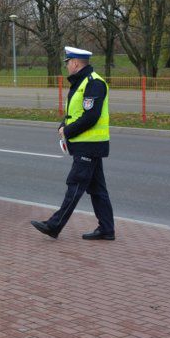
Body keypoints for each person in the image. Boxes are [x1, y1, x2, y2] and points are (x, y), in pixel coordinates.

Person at [31, 46, 115, 241]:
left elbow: (91, 116)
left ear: (76, 63)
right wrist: (63, 124)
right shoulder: (82, 82)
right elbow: (75, 113)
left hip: (89, 144)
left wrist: (67, 130)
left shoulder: (93, 83)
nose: (67, 66)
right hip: (86, 143)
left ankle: (54, 225)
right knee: (97, 189)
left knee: (75, 185)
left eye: (68, 62)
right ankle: (107, 229)